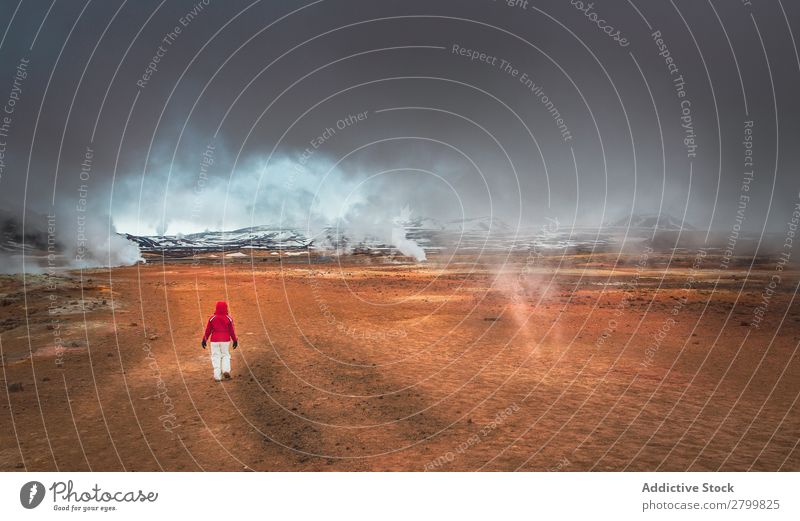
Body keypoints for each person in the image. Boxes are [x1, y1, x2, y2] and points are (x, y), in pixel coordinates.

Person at [201, 301, 238, 381]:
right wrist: (235, 340)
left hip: (214, 341)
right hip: (225, 340)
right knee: (225, 355)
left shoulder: (212, 318)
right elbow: (232, 331)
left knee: (216, 356)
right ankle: (225, 370)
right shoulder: (229, 318)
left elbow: (208, 330)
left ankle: (217, 376)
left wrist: (204, 339)